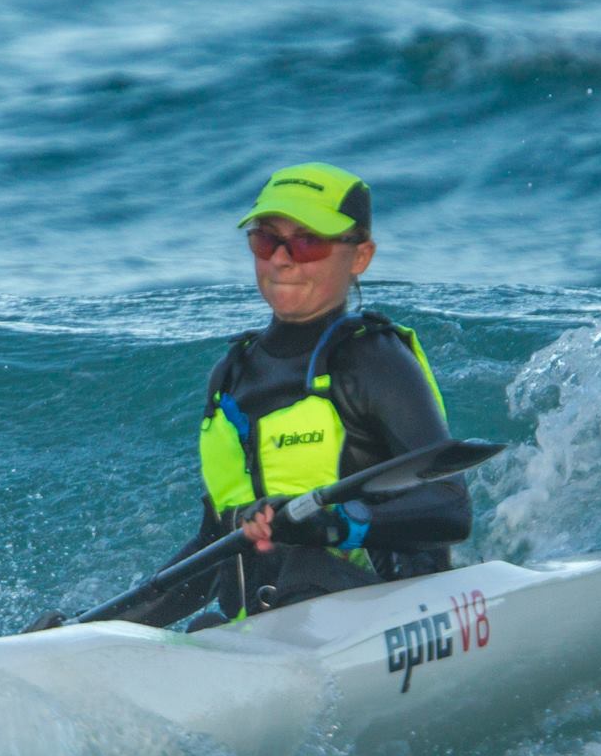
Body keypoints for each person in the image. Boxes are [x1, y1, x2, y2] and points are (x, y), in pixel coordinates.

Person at [118, 162, 473, 631]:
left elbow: (450, 508)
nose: (282, 260)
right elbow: (213, 549)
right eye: (266, 240)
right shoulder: (231, 377)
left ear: (360, 256)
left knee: (304, 568)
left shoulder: (373, 360)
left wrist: (335, 524)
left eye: (308, 242)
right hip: (264, 633)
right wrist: (93, 632)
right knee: (206, 627)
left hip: (383, 619)